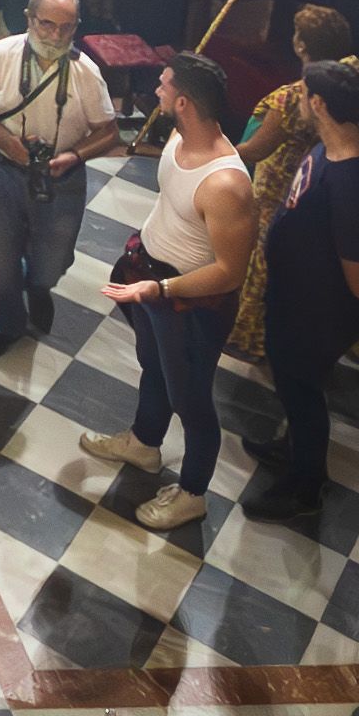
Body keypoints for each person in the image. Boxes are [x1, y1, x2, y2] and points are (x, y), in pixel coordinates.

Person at [87, 51, 253, 530]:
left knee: (192, 400)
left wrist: (160, 288)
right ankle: (144, 443)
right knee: (153, 366)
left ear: (183, 102)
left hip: (188, 304)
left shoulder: (225, 184)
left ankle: (193, 494)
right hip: (151, 276)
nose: (156, 89)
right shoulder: (178, 136)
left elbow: (230, 273)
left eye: (163, 85)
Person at [246, 60, 359, 521]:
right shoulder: (347, 140)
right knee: (293, 386)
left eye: (301, 91)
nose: (295, 95)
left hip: (315, 315)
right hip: (297, 299)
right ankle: (293, 446)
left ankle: (305, 487)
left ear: (317, 103)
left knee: (302, 392)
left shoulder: (350, 181)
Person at [228, 4, 359, 366]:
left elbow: (257, 150)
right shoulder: (354, 81)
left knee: (264, 263)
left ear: (301, 45)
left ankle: (250, 339)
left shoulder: (293, 97)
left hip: (281, 187)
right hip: (322, 184)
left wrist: (219, 149)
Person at [0, 0, 117, 358]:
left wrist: (74, 156)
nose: (56, 36)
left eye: (67, 27)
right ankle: (8, 323)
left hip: (60, 178)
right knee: (1, 264)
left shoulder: (85, 72)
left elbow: (108, 132)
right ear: (29, 19)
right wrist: (9, 142)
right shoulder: (1, 55)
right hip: (1, 170)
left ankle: (39, 286)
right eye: (47, 24)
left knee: (52, 262)